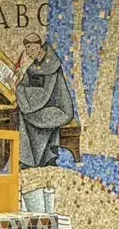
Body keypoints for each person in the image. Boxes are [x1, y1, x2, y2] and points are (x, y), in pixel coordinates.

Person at [13, 34, 75, 170]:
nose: (27, 52)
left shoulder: (51, 65)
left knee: (28, 116)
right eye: (26, 49)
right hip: (45, 105)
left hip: (59, 108)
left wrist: (20, 91)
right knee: (23, 113)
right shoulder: (36, 65)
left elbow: (45, 94)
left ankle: (33, 160)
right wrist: (20, 81)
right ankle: (35, 158)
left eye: (29, 48)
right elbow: (28, 81)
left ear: (38, 46)